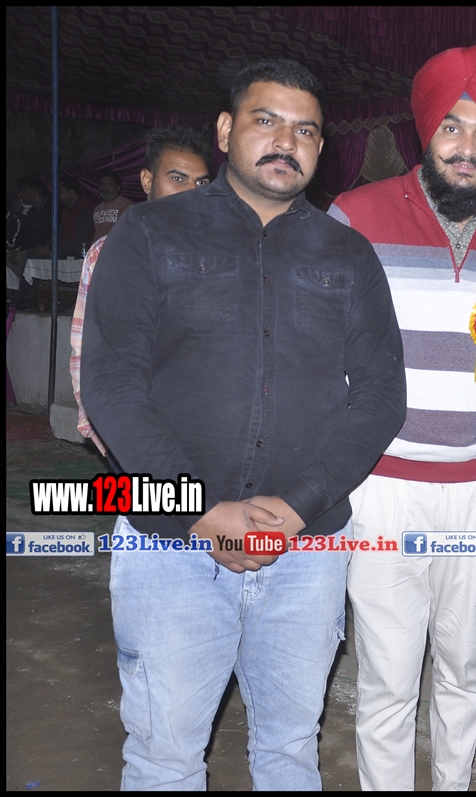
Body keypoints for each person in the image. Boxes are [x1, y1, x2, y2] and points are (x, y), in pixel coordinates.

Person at [80, 59, 407, 789]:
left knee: (290, 751)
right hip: (171, 549)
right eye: (267, 120)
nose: (286, 141)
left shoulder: (348, 254)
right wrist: (198, 509)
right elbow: (110, 385)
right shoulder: (150, 234)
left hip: (305, 552)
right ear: (226, 131)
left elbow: (382, 395)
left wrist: (298, 507)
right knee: (165, 757)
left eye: (306, 130)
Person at [330, 42, 476, 791]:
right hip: (381, 487)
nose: (467, 146)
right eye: (453, 126)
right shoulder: (354, 217)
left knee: (462, 667)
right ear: (426, 131)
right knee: (388, 676)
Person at [70, 126, 212, 456]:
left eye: (201, 183)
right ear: (147, 181)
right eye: (177, 178)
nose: (191, 192)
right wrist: (102, 433)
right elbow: (84, 350)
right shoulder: (107, 254)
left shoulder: (219, 257)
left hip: (204, 432)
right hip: (132, 431)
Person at [56, 175, 94, 257]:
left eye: (60, 191)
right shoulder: (66, 210)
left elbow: (80, 240)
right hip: (66, 250)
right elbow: (59, 234)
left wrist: (53, 249)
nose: (57, 195)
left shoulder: (86, 209)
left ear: (70, 192)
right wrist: (47, 246)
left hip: (80, 253)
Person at [91, 169, 135, 239]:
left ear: (118, 187)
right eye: (101, 184)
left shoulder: (127, 207)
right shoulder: (97, 209)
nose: (104, 187)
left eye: (109, 184)